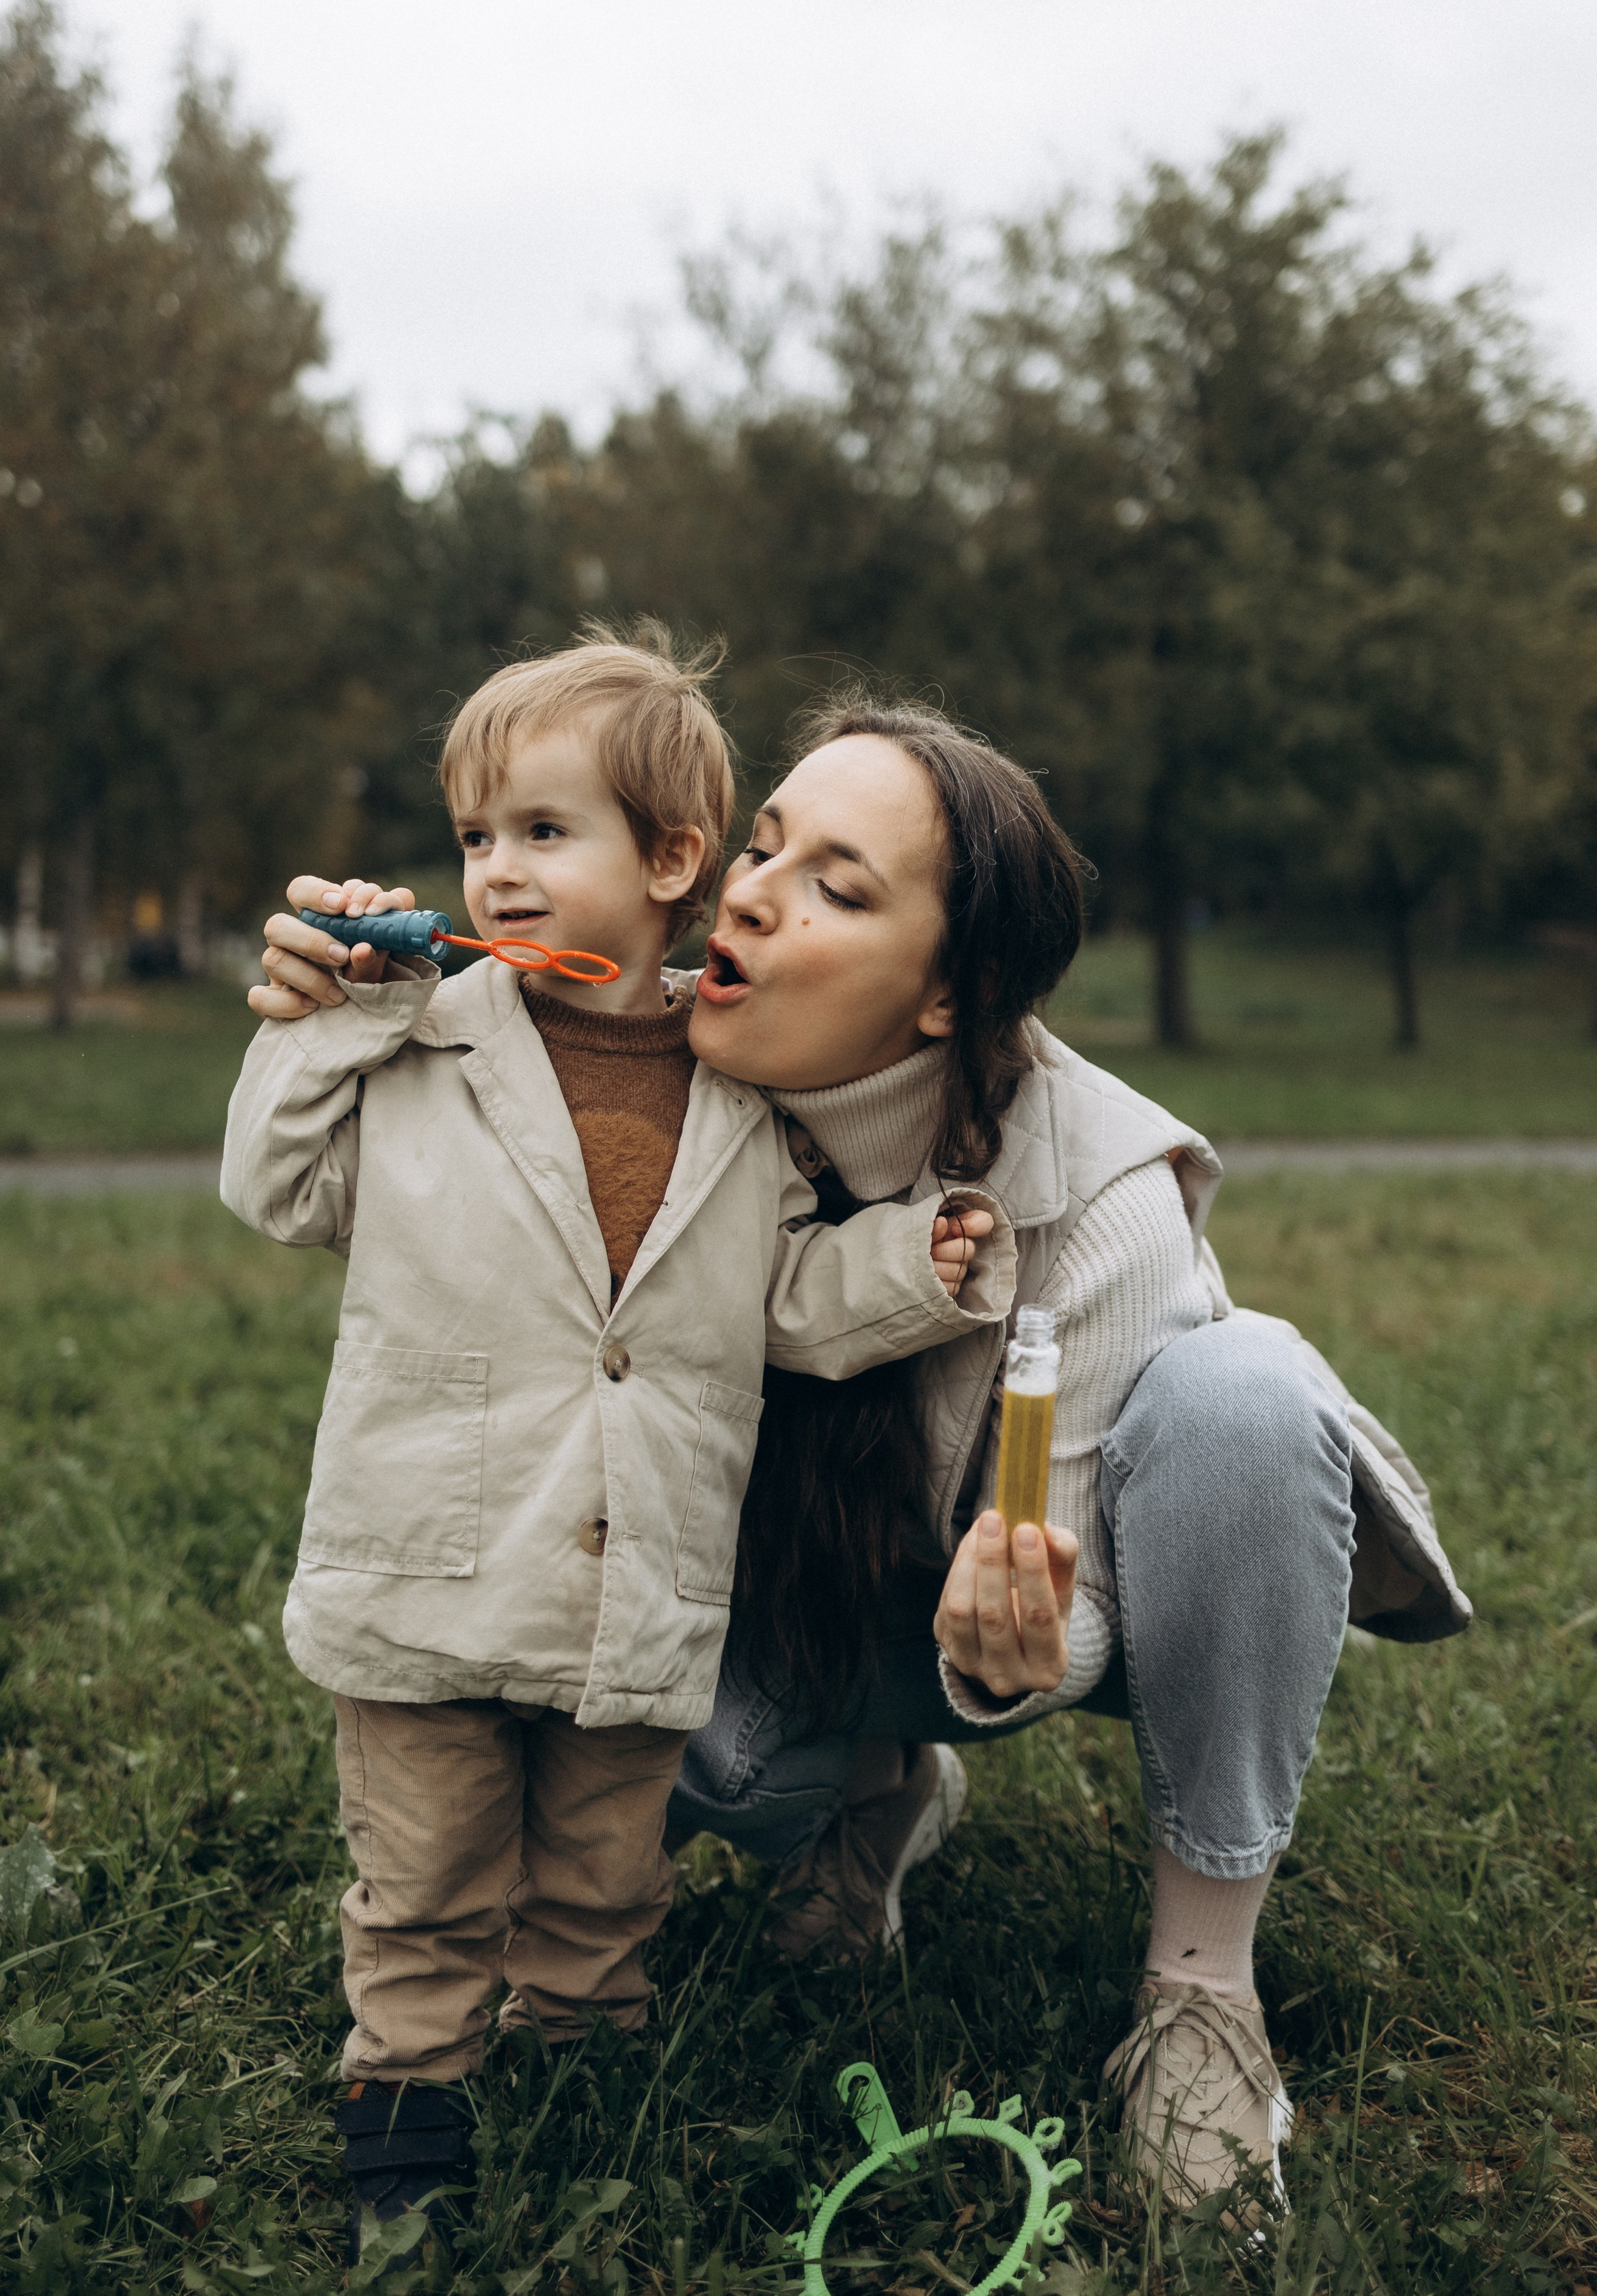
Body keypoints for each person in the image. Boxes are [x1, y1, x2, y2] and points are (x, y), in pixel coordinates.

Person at [256, 683, 1468, 2219]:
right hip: (724, 1608)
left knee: (1247, 1389)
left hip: (996, 1621)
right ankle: (865, 1799)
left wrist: (1029, 1633)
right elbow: (348, 1174)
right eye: (761, 848)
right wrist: (338, 1014)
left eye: (835, 888)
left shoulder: (1100, 1191)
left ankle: (1200, 1994)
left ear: (951, 994)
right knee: (695, 1755)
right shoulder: (630, 1060)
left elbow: (1077, 1603)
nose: (750, 898)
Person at [222, 636, 1018, 2260]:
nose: (495, 871)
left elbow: (781, 1303)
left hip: (628, 1576)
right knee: (427, 1871)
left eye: (541, 830)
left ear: (668, 862)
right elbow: (275, 1189)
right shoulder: (418, 1038)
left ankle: (583, 2069)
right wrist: (332, 1023)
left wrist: (907, 1267)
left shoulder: (737, 1092)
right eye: (475, 836)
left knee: (604, 1872)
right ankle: (407, 2109)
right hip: (431, 1559)